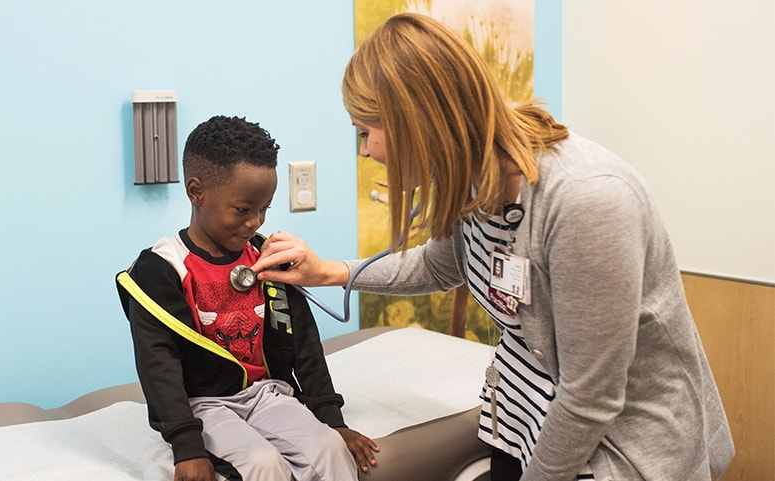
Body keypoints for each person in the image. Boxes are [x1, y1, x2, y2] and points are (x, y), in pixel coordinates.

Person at [251, 13, 734, 481]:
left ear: (417, 122)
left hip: (621, 451)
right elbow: (440, 266)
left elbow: (591, 397)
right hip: (524, 421)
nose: (365, 151)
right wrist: (327, 272)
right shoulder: (471, 182)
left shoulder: (587, 201)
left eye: (366, 130)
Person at [116, 115, 378, 481]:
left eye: (264, 209)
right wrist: (187, 446)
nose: (255, 222)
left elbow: (303, 342)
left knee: (330, 449)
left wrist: (332, 420)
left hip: (267, 394)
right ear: (197, 192)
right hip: (204, 404)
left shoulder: (268, 257)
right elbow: (158, 362)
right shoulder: (160, 271)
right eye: (243, 210)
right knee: (261, 462)